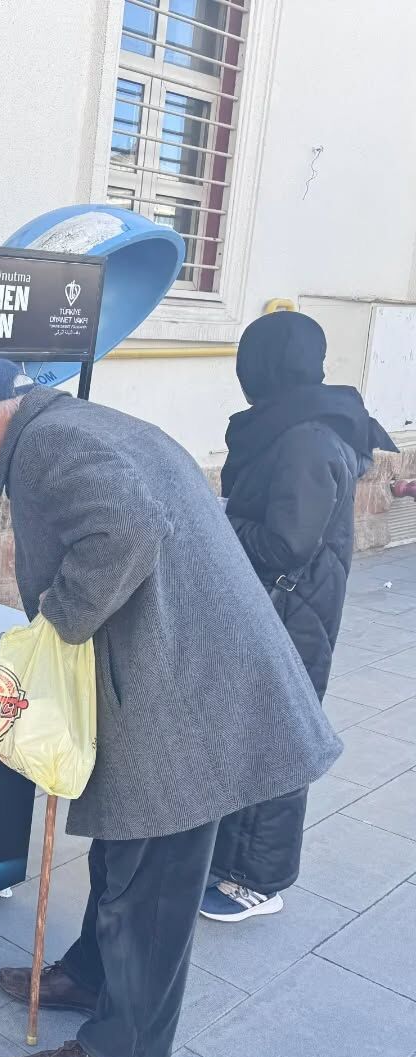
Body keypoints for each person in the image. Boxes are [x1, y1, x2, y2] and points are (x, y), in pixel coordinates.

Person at [0, 358, 342, 1057]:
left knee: (156, 877)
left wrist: (61, 622)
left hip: (186, 688)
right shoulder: (74, 424)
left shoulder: (47, 444)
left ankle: (123, 1054)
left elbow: (129, 529)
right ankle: (91, 976)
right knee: (123, 842)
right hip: (177, 667)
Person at [202, 311, 396, 923]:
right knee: (252, 732)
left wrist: (216, 519)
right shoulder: (287, 425)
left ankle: (259, 880)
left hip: (294, 614)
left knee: (279, 740)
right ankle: (232, 860)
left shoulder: (306, 438)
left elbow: (288, 544)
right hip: (274, 608)